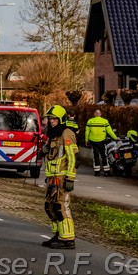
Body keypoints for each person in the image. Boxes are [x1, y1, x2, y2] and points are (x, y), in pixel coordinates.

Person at [42, 105, 78, 249]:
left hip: (62, 177)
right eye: (50, 119)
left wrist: (70, 178)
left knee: (60, 206)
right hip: (52, 177)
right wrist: (44, 150)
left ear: (61, 119)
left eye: (55, 119)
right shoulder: (52, 134)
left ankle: (68, 239)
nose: (51, 121)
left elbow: (72, 157)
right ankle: (58, 234)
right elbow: (51, 155)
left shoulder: (66, 133)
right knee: (49, 207)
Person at [85, 109, 117, 176]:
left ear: (94, 114)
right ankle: (106, 171)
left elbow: (87, 132)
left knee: (95, 155)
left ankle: (97, 172)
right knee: (104, 155)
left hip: (93, 141)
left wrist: (86, 140)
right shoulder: (104, 121)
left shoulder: (90, 121)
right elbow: (110, 131)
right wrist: (115, 138)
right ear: (100, 114)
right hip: (102, 141)